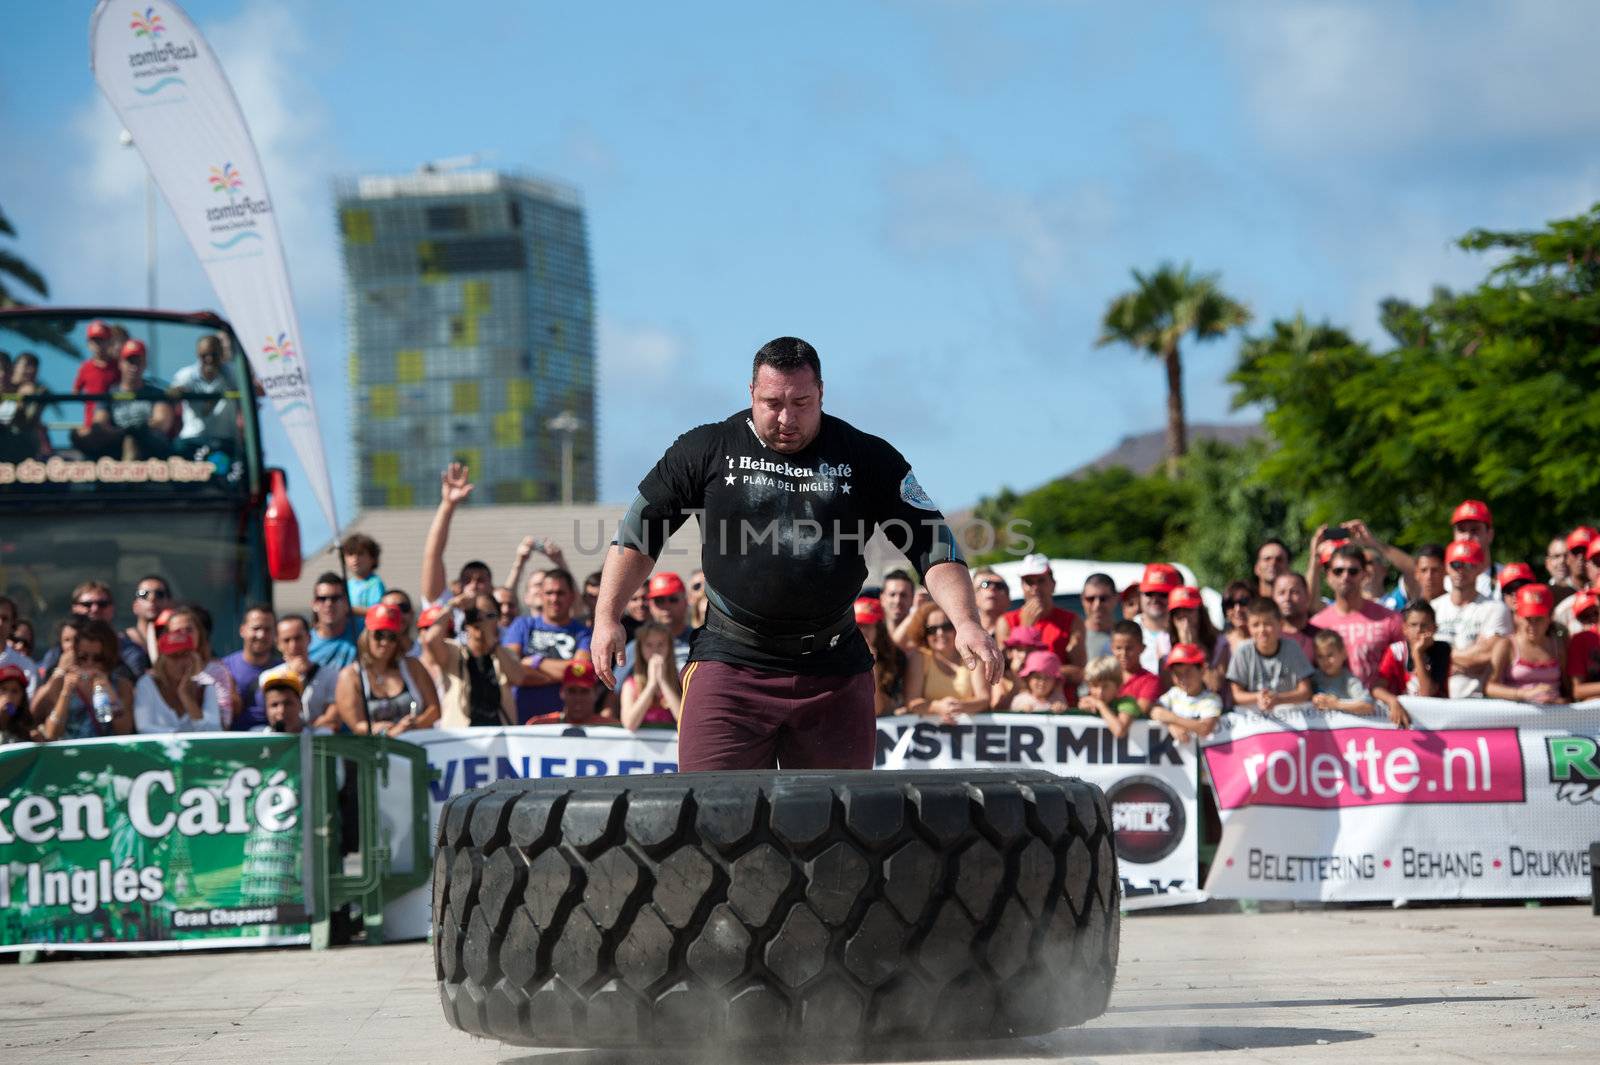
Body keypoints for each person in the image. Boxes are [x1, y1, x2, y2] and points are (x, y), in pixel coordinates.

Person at [591, 337, 995, 771]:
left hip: (834, 670)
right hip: (731, 664)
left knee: (841, 826)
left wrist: (966, 621)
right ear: (750, 393)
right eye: (772, 403)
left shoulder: (867, 456)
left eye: (801, 402)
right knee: (711, 819)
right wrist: (606, 616)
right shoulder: (706, 448)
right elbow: (638, 532)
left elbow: (933, 543)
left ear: (821, 392)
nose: (787, 418)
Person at [423, 593, 534, 728]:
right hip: (461, 740)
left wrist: (491, 641)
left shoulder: (505, 654)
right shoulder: (453, 652)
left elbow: (518, 678)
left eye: (489, 615)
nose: (480, 621)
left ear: (498, 619)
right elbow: (430, 639)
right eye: (474, 615)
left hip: (500, 737)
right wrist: (451, 606)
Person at [503, 568, 594, 724]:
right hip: (522, 723)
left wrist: (535, 663)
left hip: (563, 723)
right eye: (549, 593)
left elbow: (580, 671)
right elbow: (510, 669)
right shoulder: (522, 625)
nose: (554, 599)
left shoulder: (584, 633)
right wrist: (564, 674)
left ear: (572, 596)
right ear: (541, 596)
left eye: (560, 593)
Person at [334, 602, 440, 736]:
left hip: (415, 746)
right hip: (375, 750)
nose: (385, 642)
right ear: (367, 635)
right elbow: (356, 725)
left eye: (392, 637)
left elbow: (434, 710)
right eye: (379, 635)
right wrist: (388, 732)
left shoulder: (413, 666)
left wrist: (413, 725)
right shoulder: (350, 675)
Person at [1310, 543, 1403, 689]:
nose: (1345, 576)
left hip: (1381, 709)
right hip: (1333, 708)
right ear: (1328, 576)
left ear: (1365, 574)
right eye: (1338, 571)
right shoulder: (1316, 625)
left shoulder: (1390, 619)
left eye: (1353, 571)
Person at [992, 554, 1084, 696]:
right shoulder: (1006, 621)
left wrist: (1044, 671)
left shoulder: (1071, 620)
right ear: (1022, 587)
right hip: (1023, 702)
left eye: (1041, 581)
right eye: (1029, 582)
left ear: (1053, 584)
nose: (1035, 588)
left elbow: (1080, 672)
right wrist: (1025, 630)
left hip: (1061, 704)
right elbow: (1005, 670)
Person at [1431, 538, 1512, 698]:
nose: (1461, 570)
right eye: (1456, 564)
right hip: (1435, 699)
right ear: (1447, 567)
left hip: (1476, 701)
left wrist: (1441, 656)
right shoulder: (1433, 607)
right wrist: (1467, 657)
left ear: (1480, 568)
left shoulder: (1495, 609)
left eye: (1469, 565)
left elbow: (1487, 656)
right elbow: (1420, 653)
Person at [74, 339, 178, 460]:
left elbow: (161, 422)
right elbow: (100, 422)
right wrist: (125, 433)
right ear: (120, 363)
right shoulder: (108, 395)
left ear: (145, 364)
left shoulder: (157, 394)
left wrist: (134, 433)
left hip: (150, 447)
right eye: (130, 361)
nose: (134, 367)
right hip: (116, 445)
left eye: (138, 362)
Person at [31, 619, 134, 739]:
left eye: (98, 658)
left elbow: (124, 731)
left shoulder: (121, 685)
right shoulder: (61, 683)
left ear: (109, 658)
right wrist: (66, 692)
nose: (90, 663)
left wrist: (109, 692)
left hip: (106, 754)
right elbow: (51, 733)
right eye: (83, 657)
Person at [419, 462, 496, 623]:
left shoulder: (501, 624)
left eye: (481, 580)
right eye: (467, 580)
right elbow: (433, 556)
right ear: (459, 586)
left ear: (491, 587)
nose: (473, 585)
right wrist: (448, 505)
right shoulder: (448, 611)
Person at [36, 581, 150, 680]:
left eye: (102, 604)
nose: (95, 609)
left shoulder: (129, 651)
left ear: (112, 608)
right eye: (87, 604)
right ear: (74, 609)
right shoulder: (59, 650)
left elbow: (133, 685)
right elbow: (45, 684)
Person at [902, 603, 988, 722]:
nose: (940, 633)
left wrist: (957, 707)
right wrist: (938, 708)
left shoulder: (974, 658)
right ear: (924, 633)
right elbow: (912, 702)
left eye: (946, 626)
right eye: (932, 629)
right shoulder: (919, 658)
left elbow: (984, 699)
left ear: (957, 628)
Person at [1484, 584, 1567, 705]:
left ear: (1549, 618)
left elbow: (1567, 687)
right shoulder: (1506, 645)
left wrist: (1562, 702)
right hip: (1518, 717)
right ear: (1517, 617)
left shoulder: (1558, 646)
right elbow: (1489, 687)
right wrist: (1524, 694)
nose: (1532, 626)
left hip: (1553, 718)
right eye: (1528, 619)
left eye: (1539, 619)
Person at [1226, 598, 1314, 711]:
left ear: (1280, 624)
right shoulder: (1243, 650)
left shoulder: (1292, 648)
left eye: (1267, 624)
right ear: (1248, 627)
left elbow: (1306, 691)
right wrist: (1258, 697)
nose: (1262, 630)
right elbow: (1236, 695)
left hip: (1290, 714)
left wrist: (1278, 699)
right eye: (1255, 625)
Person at [1373, 601, 1452, 727]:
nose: (1419, 630)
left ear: (1435, 628)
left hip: (1438, 720)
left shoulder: (1442, 649)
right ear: (1404, 629)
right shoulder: (1396, 651)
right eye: (1413, 625)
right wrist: (1392, 700)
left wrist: (1417, 654)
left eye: (1424, 625)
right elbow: (1376, 688)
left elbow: (1427, 692)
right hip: (1408, 718)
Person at [134, 627, 223, 732]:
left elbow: (214, 731)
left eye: (186, 655)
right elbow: (144, 728)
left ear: (194, 658)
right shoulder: (147, 683)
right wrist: (180, 736)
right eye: (174, 656)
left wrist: (187, 697)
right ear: (162, 660)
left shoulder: (206, 685)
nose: (181, 662)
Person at [170, 333, 238, 456]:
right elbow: (173, 392)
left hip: (225, 441)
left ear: (221, 353)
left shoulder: (233, 374)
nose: (209, 359)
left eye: (214, 354)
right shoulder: (186, 375)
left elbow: (256, 392)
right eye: (204, 355)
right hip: (192, 439)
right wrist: (179, 392)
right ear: (197, 355)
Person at [222, 604, 281, 731]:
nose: (261, 635)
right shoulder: (224, 668)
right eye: (256, 628)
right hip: (235, 742)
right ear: (242, 630)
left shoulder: (284, 669)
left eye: (267, 629)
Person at [275, 613, 339, 728]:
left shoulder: (330, 675)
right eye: (286, 640)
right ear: (278, 644)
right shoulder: (268, 677)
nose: (293, 645)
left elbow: (332, 717)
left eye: (298, 638)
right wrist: (292, 675)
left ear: (309, 638)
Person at [619, 621, 683, 730]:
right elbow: (629, 724)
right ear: (640, 649)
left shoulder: (679, 682)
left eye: (661, 644)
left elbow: (684, 720)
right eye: (649, 645)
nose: (655, 650)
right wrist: (651, 685)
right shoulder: (630, 684)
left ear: (669, 648)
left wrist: (663, 682)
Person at [1150, 643, 1222, 740]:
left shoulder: (1212, 699)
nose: (1183, 679)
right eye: (1177, 674)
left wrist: (1173, 719)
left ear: (1202, 670)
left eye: (1188, 672)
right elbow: (1155, 711)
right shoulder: (1173, 694)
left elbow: (1204, 729)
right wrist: (1171, 725)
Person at [855, 597, 907, 716]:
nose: (860, 631)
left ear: (879, 628)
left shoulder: (896, 658)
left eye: (867, 625)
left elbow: (876, 709)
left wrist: (872, 667)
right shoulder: (839, 654)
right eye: (857, 625)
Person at [1168, 585, 1224, 690]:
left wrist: (1192, 648)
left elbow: (1214, 686)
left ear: (1200, 613)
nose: (1184, 617)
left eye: (1189, 610)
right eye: (1177, 612)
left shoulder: (1219, 642)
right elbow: (1168, 686)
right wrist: (1182, 648)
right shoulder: (1164, 643)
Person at [69, 319, 121, 430]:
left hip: (115, 425)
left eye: (101, 340)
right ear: (88, 344)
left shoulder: (119, 366)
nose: (97, 344)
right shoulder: (85, 367)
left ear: (109, 342)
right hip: (90, 424)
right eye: (94, 340)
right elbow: (75, 392)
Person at [1309, 630, 1376, 716]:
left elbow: (1368, 706)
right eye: (1320, 656)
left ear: (1343, 653)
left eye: (1330, 655)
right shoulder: (1313, 678)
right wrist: (1312, 698)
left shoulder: (1350, 681)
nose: (1325, 661)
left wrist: (1336, 704)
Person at [526, 661, 614, 725]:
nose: (578, 698)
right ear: (562, 692)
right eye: (572, 691)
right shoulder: (540, 726)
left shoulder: (611, 730)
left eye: (584, 691)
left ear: (596, 693)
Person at [308, 572, 362, 671]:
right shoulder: (305, 642)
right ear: (314, 604)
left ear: (346, 603)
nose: (328, 604)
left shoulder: (364, 631)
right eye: (322, 598)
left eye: (335, 598)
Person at [1110, 619, 1161, 720]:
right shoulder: (1106, 676)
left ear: (1142, 648)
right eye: (1118, 648)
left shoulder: (1150, 681)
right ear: (1111, 648)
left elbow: (1140, 710)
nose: (1124, 654)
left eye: (1129, 648)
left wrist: (1102, 706)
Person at [1133, 563, 1179, 674]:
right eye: (1150, 593)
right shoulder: (1128, 630)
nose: (1155, 599)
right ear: (1140, 595)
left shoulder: (1187, 631)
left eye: (1163, 594)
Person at [1077, 655, 1136, 736]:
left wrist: (1100, 705)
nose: (1100, 692)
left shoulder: (1128, 702)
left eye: (1105, 686)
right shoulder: (1088, 701)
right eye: (1095, 685)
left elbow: (1119, 731)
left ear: (1118, 685)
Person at [991, 624, 1043, 711]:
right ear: (1009, 653)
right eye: (1019, 649)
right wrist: (1017, 684)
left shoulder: (1046, 678)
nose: (1024, 655)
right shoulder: (999, 679)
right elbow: (997, 709)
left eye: (1030, 650)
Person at [1271, 572, 1320, 662]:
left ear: (1307, 595)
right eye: (1281, 593)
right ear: (1273, 597)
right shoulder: (1267, 637)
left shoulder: (1320, 637)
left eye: (1294, 592)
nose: (1287, 598)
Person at [1563, 590, 1600, 700]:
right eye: (1585, 617)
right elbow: (1578, 691)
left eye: (1595, 613)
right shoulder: (1581, 640)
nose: (1592, 619)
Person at [126, 574, 171, 664]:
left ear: (169, 603)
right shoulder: (120, 643)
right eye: (143, 594)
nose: (152, 598)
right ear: (135, 605)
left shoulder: (177, 640)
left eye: (159, 594)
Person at [0, 595, 38, 696]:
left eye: (5, 618)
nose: (0, 623)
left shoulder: (25, 666)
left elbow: (25, 706)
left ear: (12, 624)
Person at [342, 534, 386, 617]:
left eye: (360, 554)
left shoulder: (375, 583)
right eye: (350, 554)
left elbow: (377, 611)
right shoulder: (346, 585)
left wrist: (349, 610)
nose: (355, 558)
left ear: (373, 558)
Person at [0, 664, 43, 744]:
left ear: (22, 698)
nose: (8, 696)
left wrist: (37, 740)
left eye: (14, 691)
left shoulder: (26, 727)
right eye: (3, 689)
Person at [257, 666, 306, 734]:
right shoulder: (254, 739)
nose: (281, 711)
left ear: (300, 705)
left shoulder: (320, 738)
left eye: (288, 703)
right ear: (266, 708)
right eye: (274, 705)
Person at [1080, 573, 1118, 661]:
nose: (1097, 605)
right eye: (1090, 599)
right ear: (1082, 599)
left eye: (1103, 599)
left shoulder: (1128, 636)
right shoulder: (1073, 636)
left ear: (1116, 598)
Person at [878, 570, 917, 634]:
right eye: (892, 594)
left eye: (903, 595)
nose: (897, 601)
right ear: (882, 599)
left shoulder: (921, 636)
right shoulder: (870, 635)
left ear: (912, 599)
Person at [1221, 580, 1254, 652]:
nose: (1237, 609)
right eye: (1230, 604)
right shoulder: (1222, 644)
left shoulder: (1267, 638)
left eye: (1243, 602)